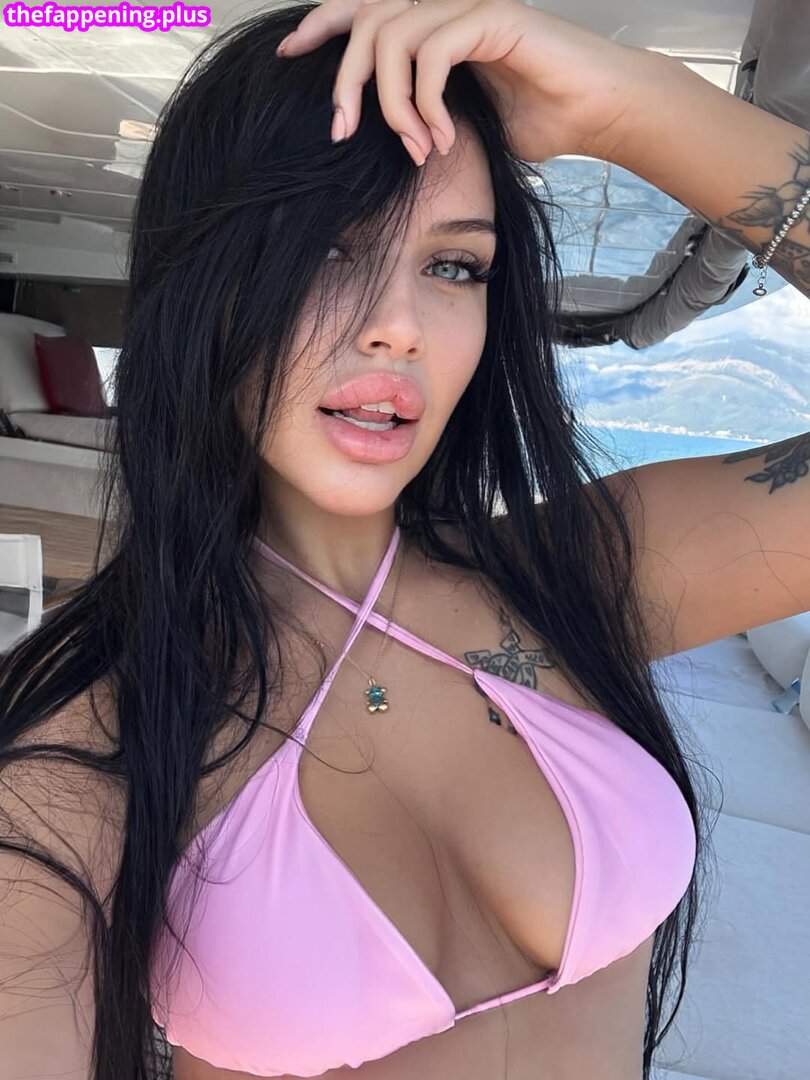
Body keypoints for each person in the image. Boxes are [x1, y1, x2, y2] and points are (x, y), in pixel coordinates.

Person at [0, 2, 808, 1079]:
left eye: (455, 266)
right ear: (200, 285)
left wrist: (632, 107)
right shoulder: (85, 742)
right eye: (327, 251)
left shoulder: (579, 575)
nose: (400, 327)